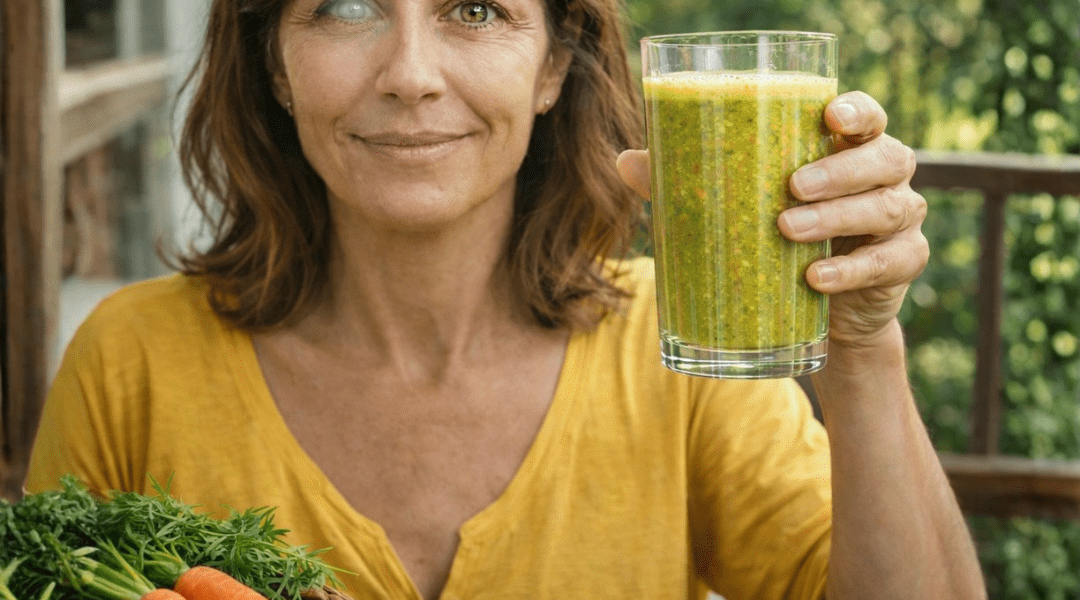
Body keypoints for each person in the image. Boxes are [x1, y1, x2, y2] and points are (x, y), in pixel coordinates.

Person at [26, 0, 987, 598]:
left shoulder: (675, 347)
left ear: (555, 66)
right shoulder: (130, 361)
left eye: (476, 9)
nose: (409, 75)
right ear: (276, 65)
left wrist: (864, 350)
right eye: (346, 6)